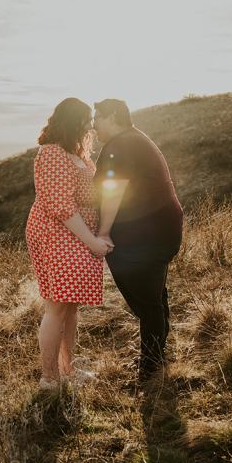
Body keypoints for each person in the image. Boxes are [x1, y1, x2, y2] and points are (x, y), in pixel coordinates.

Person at [26, 98, 114, 392]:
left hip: (77, 233)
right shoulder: (52, 153)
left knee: (71, 306)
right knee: (57, 306)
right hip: (57, 232)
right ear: (72, 121)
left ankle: (68, 369)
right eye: (86, 120)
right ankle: (49, 378)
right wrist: (92, 242)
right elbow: (61, 206)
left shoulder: (77, 154)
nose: (90, 126)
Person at [93, 98, 183, 384]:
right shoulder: (133, 139)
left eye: (97, 118)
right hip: (157, 230)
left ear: (112, 116)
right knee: (153, 297)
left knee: (147, 303)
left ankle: (151, 370)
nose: (94, 125)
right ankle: (157, 358)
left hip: (147, 235)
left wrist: (103, 232)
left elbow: (113, 191)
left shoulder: (121, 145)